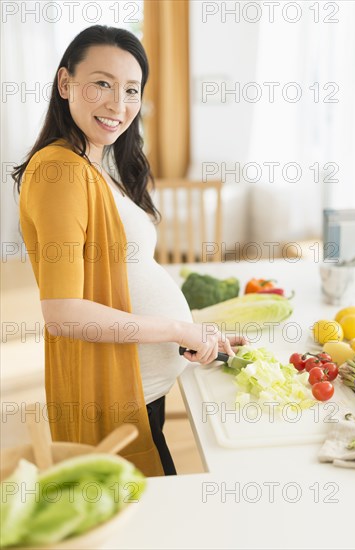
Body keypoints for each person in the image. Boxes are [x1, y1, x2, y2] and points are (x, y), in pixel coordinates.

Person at [13, 25, 244, 476]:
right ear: (66, 84)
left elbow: (129, 275)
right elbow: (64, 312)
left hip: (143, 387)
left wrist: (196, 333)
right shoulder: (59, 171)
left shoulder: (93, 162)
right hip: (115, 394)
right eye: (102, 83)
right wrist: (177, 328)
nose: (118, 105)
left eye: (131, 89)